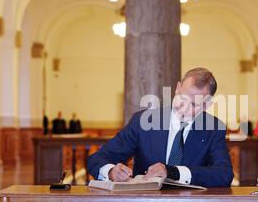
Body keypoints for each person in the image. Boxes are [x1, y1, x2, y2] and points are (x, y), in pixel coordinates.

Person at [87, 67, 234, 187]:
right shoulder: (144, 121)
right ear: (177, 88)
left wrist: (173, 172)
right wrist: (111, 171)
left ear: (207, 105)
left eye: (195, 104)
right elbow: (97, 158)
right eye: (183, 98)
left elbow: (224, 174)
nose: (185, 107)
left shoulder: (214, 128)